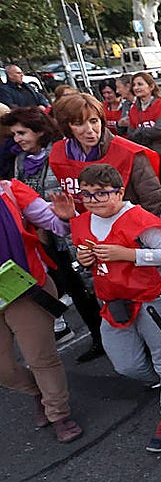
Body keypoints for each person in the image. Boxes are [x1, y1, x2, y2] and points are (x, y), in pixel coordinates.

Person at [60, 163, 161, 452]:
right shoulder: (82, 222)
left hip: (151, 300)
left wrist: (130, 254)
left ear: (120, 192)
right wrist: (83, 259)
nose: (93, 201)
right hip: (112, 303)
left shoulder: (138, 218)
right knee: (126, 364)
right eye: (87, 194)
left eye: (101, 194)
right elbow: (86, 263)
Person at [1, 107, 105, 362]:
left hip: (76, 231)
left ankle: (120, 338)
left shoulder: (60, 154)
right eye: (14, 134)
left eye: (22, 133)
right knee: (74, 289)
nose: (17, 139)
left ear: (39, 131)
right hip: (49, 238)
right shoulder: (21, 161)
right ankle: (98, 338)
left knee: (96, 286)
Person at [1, 169, 84, 442]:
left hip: (26, 287)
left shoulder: (12, 190)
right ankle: (37, 391)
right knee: (4, 369)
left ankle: (58, 413)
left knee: (41, 357)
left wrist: (63, 217)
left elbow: (55, 223)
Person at [48, 92, 161, 216]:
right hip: (83, 230)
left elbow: (154, 203)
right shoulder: (58, 153)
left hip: (129, 228)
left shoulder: (130, 153)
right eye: (79, 123)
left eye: (93, 121)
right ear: (67, 127)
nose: (89, 130)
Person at [126, 72, 161, 174]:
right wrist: (143, 133)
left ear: (151, 86)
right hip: (145, 159)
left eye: (140, 84)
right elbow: (131, 133)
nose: (136, 88)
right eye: (134, 85)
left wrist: (140, 131)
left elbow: (160, 130)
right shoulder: (133, 109)